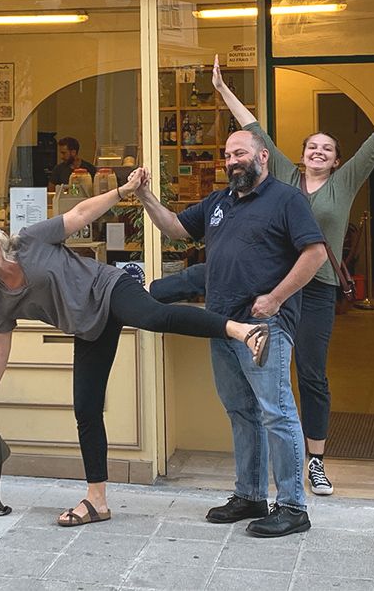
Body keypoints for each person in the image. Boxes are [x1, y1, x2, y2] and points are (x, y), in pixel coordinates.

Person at [0, 169, 270, 529]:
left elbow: (81, 214)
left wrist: (124, 190)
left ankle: (243, 331)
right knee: (86, 410)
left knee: (153, 316)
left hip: (108, 289)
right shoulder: (1, 297)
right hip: (88, 328)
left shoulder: (28, 241)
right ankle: (97, 501)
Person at [212, 56, 374, 496]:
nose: (318, 152)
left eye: (327, 149)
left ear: (336, 162)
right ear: (300, 154)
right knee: (265, 375)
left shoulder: (345, 182)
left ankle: (315, 461)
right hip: (275, 289)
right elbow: (254, 129)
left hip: (316, 292)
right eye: (312, 146)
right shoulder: (285, 175)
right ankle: (265, 468)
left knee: (311, 374)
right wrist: (221, 89)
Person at [136, 130, 326, 538]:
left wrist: (276, 298)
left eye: (239, 153)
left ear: (262, 156)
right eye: (227, 155)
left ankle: (293, 506)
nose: (231, 161)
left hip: (263, 327)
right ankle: (251, 495)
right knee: (241, 412)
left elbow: (316, 253)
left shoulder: (287, 199)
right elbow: (174, 228)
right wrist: (145, 196)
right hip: (222, 325)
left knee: (277, 413)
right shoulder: (219, 202)